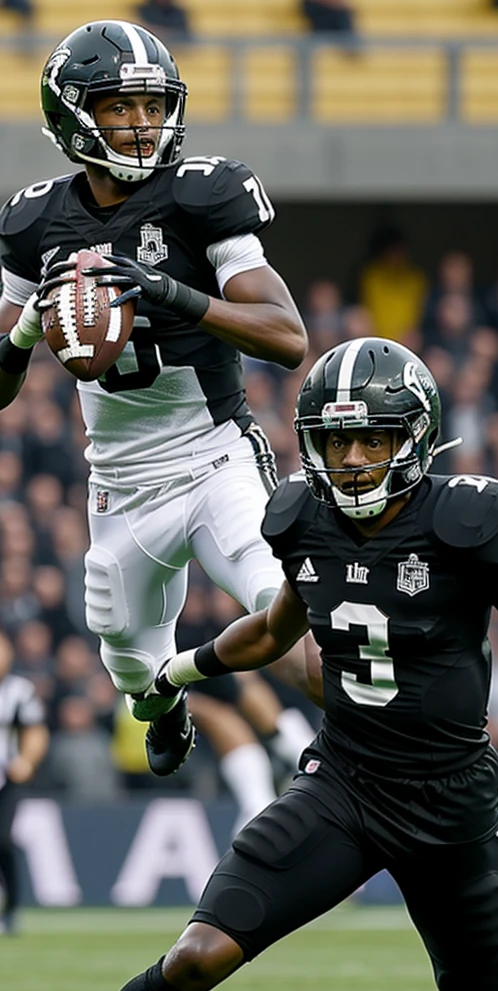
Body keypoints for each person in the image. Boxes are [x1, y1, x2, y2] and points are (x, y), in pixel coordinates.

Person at [97, 337, 498, 991]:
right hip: (342, 784)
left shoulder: (466, 520)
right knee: (196, 954)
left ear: (415, 436)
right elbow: (272, 630)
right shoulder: (301, 517)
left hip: (449, 803)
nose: (350, 461)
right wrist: (176, 671)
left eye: (372, 440)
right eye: (336, 442)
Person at [0, 21, 309, 779]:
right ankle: (161, 697)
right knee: (131, 667)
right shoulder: (34, 220)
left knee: (290, 612)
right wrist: (24, 332)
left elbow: (287, 336)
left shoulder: (202, 195)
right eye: (120, 107)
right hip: (121, 486)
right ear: (73, 114)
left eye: (152, 104)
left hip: (215, 458)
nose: (143, 124)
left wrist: (173, 293)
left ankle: (399, 754)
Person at [0, 630, 49, 934]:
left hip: (6, 778)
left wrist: (27, 761)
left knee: (2, 840)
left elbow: (35, 730)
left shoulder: (18, 690)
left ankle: (12, 909)